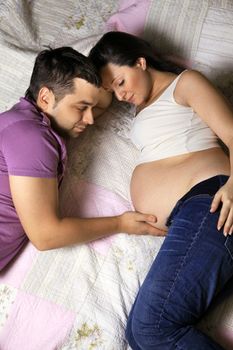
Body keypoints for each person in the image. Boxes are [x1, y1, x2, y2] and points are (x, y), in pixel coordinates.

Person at [89, 31, 233, 349]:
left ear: (140, 62)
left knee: (150, 329)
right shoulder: (142, 108)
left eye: (121, 81)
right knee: (143, 338)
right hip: (196, 219)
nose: (119, 94)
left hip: (210, 203)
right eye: (112, 89)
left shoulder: (186, 83)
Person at [0, 46, 163, 272]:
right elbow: (45, 235)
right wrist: (120, 223)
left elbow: (103, 102)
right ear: (45, 98)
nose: (90, 119)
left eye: (91, 108)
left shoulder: (20, 123)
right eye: (81, 107)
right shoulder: (32, 137)